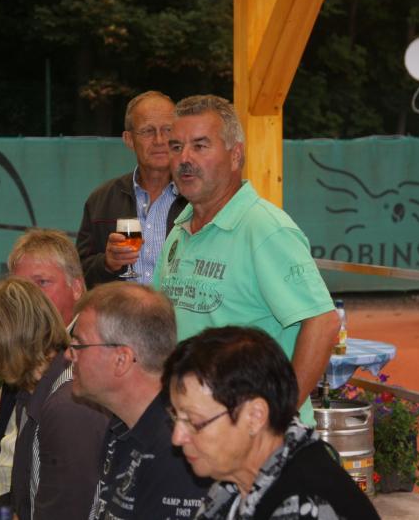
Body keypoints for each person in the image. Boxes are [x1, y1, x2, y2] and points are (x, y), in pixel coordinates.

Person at [153, 94, 339, 425]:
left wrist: (277, 419)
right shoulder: (180, 230)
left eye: (200, 146)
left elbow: (323, 323)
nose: (184, 159)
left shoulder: (265, 229)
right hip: (196, 430)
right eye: (176, 146)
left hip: (251, 438)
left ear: (235, 155)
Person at [163, 326, 379, 519]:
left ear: (255, 416)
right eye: (175, 417)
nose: (177, 438)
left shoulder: (302, 503)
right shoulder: (236, 479)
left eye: (194, 422)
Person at [0, 229, 86, 520]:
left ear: (77, 288)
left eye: (41, 283)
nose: (29, 298)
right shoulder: (24, 353)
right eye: (20, 287)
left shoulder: (82, 370)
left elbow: (64, 499)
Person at [68, 282, 209, 520]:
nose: (68, 354)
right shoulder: (121, 425)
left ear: (121, 360)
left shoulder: (178, 449)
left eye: (78, 344)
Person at [0, 277, 109, 520]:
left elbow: (66, 513)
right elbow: (24, 497)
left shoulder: (67, 407)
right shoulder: (30, 390)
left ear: (2, 343)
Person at [76, 90, 188, 288]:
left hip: (179, 308)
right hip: (120, 308)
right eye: (147, 131)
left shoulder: (197, 198)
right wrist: (107, 263)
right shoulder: (101, 200)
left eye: (168, 130)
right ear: (128, 139)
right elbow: (78, 273)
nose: (159, 140)